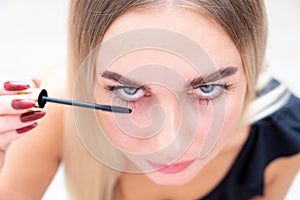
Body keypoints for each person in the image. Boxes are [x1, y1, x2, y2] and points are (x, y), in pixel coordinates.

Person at [0, 0, 299, 199]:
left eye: (208, 89)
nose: (169, 144)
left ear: (252, 65)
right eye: (129, 91)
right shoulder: (49, 115)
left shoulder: (283, 141)